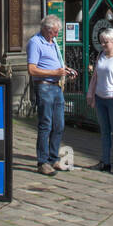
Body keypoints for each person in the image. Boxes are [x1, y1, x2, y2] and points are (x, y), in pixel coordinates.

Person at [26, 14, 77, 176]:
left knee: (59, 125)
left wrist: (65, 70)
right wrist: (55, 72)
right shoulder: (35, 42)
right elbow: (32, 69)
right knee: (45, 125)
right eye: (54, 32)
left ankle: (54, 158)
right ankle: (42, 161)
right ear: (46, 29)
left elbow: (57, 63)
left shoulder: (52, 41)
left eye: (57, 32)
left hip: (56, 87)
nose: (56, 35)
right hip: (44, 86)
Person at [85, 28, 113, 176]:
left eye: (106, 41)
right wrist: (91, 93)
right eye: (101, 41)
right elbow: (95, 77)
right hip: (100, 98)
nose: (103, 44)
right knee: (104, 131)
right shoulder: (100, 55)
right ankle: (105, 162)